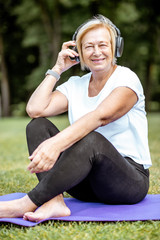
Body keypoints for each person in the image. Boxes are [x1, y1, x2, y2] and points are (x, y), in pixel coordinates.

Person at [0, 15, 152, 222]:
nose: (96, 52)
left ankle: (27, 203)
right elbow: (35, 109)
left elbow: (100, 117)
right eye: (88, 47)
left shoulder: (126, 79)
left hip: (127, 183)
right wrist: (57, 69)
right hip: (82, 182)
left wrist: (56, 144)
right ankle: (53, 201)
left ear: (116, 48)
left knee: (92, 139)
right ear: (78, 52)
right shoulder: (76, 84)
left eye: (102, 45)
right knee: (38, 126)